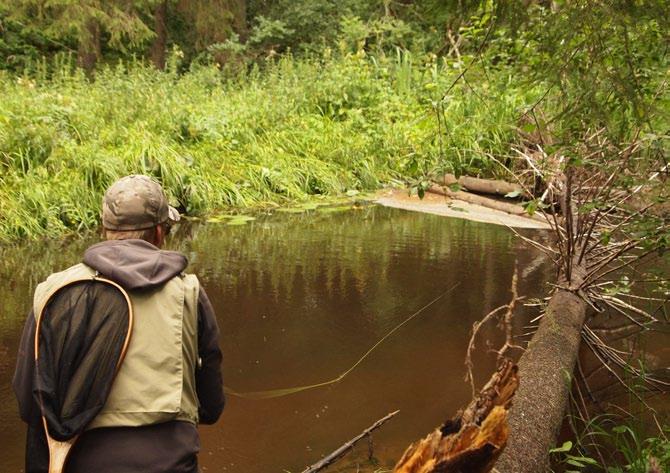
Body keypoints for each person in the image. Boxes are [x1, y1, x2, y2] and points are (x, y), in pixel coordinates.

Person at [13, 174, 225, 473]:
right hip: (170, 462)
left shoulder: (53, 289)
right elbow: (212, 402)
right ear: (160, 234)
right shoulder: (188, 291)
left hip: (79, 462)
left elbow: (28, 400)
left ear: (104, 230)